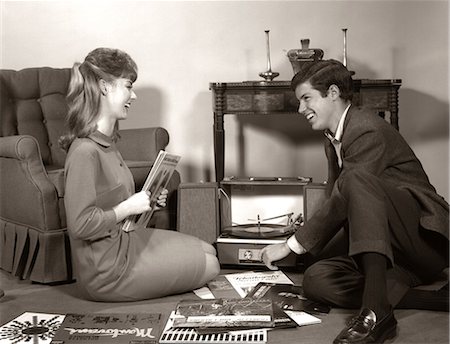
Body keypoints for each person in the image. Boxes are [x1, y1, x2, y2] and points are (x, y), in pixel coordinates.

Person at [260, 59, 449, 344]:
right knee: (315, 279)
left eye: (306, 98)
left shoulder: (366, 128)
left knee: (356, 181)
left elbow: (346, 192)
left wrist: (291, 245)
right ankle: (423, 299)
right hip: (390, 249)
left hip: (422, 238)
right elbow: (337, 198)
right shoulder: (333, 138)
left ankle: (375, 313)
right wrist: (307, 246)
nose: (301, 109)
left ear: (333, 93)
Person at [59, 47, 220, 302]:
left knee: (208, 250)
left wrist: (146, 202)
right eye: (128, 86)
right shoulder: (84, 152)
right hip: (108, 271)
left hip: (126, 241)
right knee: (211, 266)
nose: (133, 95)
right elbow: (80, 225)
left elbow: (113, 206)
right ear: (104, 87)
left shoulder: (109, 143)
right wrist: (127, 207)